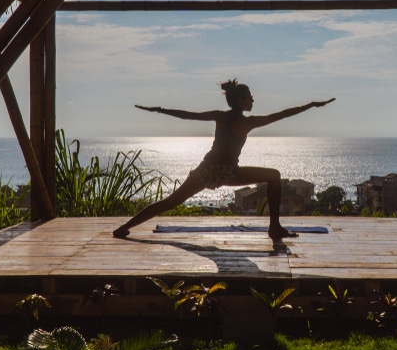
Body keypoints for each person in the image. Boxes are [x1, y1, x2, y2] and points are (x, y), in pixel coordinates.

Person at [113, 79, 335, 240]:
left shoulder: (220, 116)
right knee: (274, 176)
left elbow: (188, 115)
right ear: (240, 100)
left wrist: (159, 110)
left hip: (207, 169)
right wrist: (311, 105)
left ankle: (124, 227)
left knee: (171, 202)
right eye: (250, 97)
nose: (253, 100)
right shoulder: (249, 122)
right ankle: (274, 228)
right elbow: (283, 114)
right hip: (227, 171)